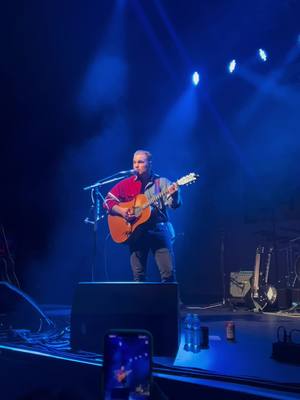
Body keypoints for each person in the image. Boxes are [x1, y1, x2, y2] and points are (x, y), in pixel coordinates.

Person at [104, 149, 181, 282]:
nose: (136, 165)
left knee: (168, 274)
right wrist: (122, 212)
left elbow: (174, 205)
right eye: (134, 162)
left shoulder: (161, 183)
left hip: (158, 229)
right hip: (136, 232)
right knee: (138, 275)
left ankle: (172, 302)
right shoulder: (127, 183)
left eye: (140, 162)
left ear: (150, 164)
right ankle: (140, 303)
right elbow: (107, 201)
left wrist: (175, 194)